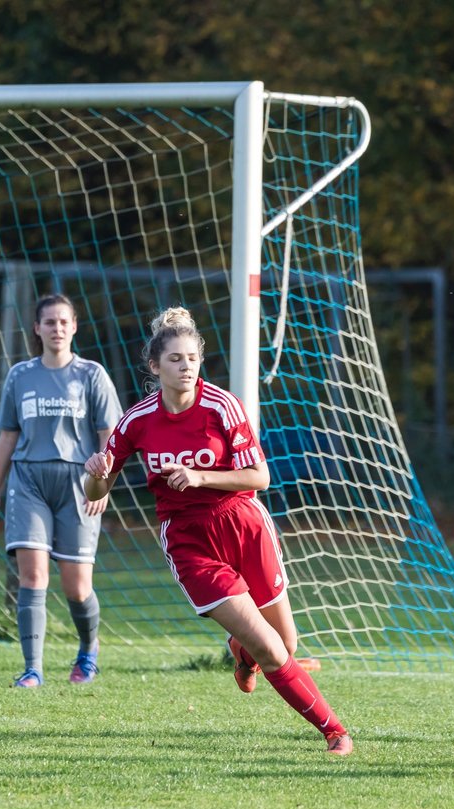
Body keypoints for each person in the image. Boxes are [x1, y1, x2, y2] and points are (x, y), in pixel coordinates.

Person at [83, 307, 352, 755]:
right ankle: (334, 731)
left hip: (243, 525)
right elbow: (98, 487)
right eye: (175, 359)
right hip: (189, 541)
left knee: (286, 642)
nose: (186, 366)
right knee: (271, 648)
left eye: (192, 358)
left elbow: (259, 478)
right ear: (155, 366)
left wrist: (201, 476)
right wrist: (95, 471)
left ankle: (241, 654)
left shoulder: (222, 406)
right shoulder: (136, 421)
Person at [0, 294, 122, 687]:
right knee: (33, 576)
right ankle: (32, 669)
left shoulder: (91, 374)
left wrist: (104, 484)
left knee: (76, 587)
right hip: (28, 481)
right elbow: (8, 434)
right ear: (37, 329)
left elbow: (109, 433)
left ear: (74, 327)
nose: (57, 329)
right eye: (49, 322)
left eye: (64, 322)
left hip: (78, 484)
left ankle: (88, 649)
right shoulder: (20, 376)